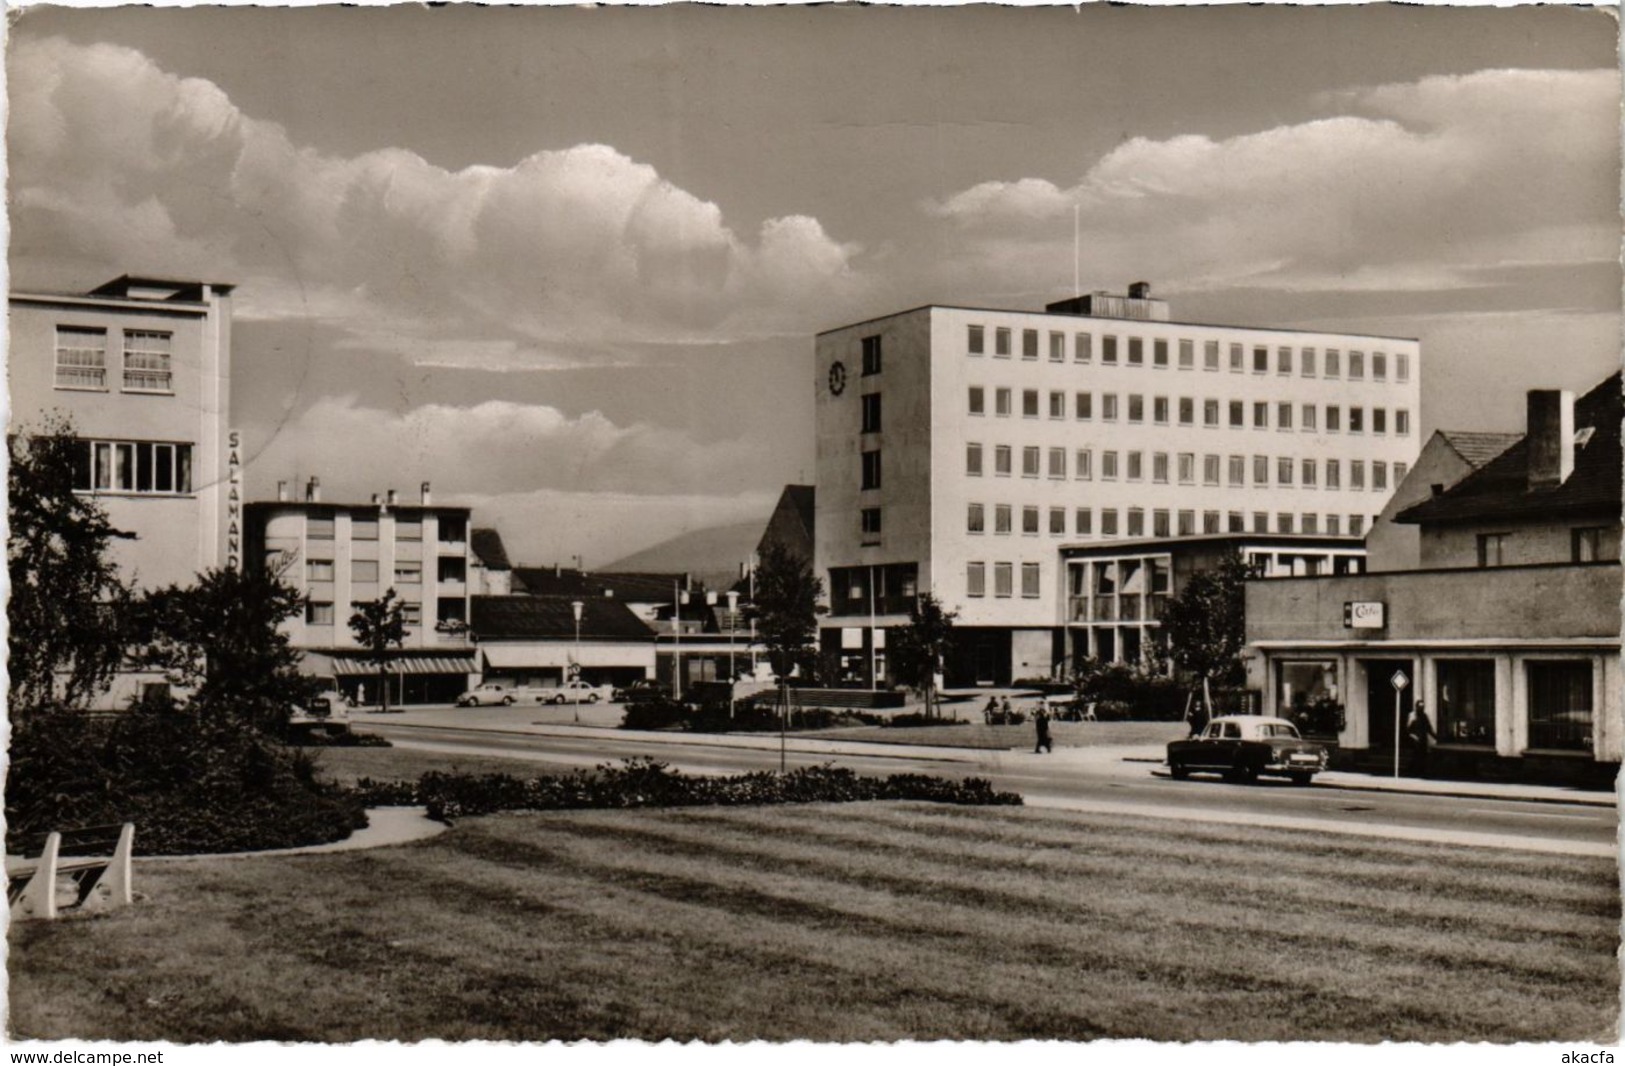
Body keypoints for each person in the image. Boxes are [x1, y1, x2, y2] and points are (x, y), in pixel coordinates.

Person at [1407, 700, 1436, 777]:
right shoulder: (1412, 715)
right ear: (1416, 707)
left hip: (1423, 739)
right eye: (1420, 707)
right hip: (1415, 740)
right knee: (1416, 756)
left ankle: (1421, 772)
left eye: (1423, 707)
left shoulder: (1424, 716)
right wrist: (1414, 737)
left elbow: (1428, 728)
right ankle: (1413, 772)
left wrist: (1435, 736)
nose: (1421, 708)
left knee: (1423, 756)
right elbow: (1408, 729)